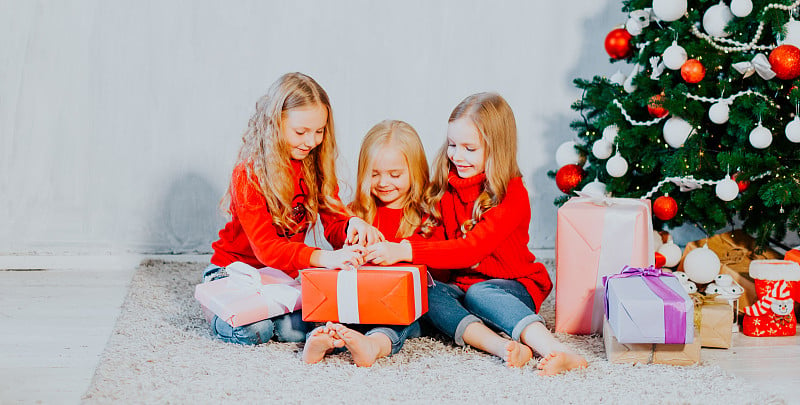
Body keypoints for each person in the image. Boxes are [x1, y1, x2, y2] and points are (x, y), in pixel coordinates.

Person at [366, 93, 588, 375]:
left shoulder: (512, 193)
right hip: (464, 287)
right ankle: (500, 346)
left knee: (480, 293)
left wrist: (404, 250)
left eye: (469, 149)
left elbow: (471, 249)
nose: (457, 156)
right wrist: (386, 252)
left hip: (513, 285)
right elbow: (433, 244)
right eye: (453, 145)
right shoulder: (445, 187)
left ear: (496, 148)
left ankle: (561, 351)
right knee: (423, 291)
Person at [203, 72, 382, 346]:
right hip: (235, 270)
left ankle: (262, 314)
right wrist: (323, 258)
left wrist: (351, 225)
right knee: (253, 332)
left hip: (278, 278)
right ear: (275, 124)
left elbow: (334, 224)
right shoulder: (249, 174)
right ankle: (216, 306)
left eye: (319, 131)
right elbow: (267, 248)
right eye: (301, 132)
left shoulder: (315, 165)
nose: (311, 141)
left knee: (305, 328)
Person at [303, 120, 438, 366]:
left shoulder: (428, 216)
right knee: (328, 310)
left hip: (396, 307)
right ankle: (319, 340)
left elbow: (436, 259)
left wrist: (397, 253)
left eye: (395, 175)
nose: (384, 183)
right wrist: (351, 232)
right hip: (358, 299)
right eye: (374, 174)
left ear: (416, 172)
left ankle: (372, 346)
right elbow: (334, 231)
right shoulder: (359, 212)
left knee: (400, 323)